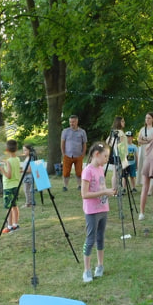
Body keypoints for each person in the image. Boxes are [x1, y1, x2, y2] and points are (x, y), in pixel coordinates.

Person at [80, 143, 116, 283]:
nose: (107, 159)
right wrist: (104, 192)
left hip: (103, 209)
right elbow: (84, 194)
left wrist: (109, 192)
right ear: (96, 154)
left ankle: (100, 265)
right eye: (105, 156)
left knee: (100, 237)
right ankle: (86, 270)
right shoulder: (87, 171)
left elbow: (101, 186)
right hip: (92, 211)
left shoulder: (100, 169)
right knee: (90, 239)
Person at [0, 139, 22, 233]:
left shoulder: (8, 161)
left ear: (7, 149)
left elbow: (9, 175)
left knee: (8, 207)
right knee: (14, 206)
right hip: (16, 185)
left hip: (8, 186)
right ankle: (15, 224)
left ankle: (9, 226)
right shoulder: (17, 159)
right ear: (16, 149)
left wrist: (1, 170)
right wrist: (5, 163)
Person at [60, 114, 87, 191]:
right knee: (65, 172)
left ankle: (79, 185)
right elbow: (62, 143)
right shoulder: (65, 131)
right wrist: (63, 153)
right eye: (70, 122)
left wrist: (83, 154)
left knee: (79, 172)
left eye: (73, 122)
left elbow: (84, 144)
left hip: (78, 155)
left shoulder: (82, 132)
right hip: (68, 155)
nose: (72, 123)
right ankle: (65, 186)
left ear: (77, 122)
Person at [136, 113, 153, 185]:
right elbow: (139, 140)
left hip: (152, 149)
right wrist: (146, 140)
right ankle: (143, 182)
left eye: (149, 118)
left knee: (150, 165)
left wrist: (145, 140)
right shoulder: (142, 129)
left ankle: (151, 184)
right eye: (146, 118)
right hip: (143, 149)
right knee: (143, 165)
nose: (147, 119)